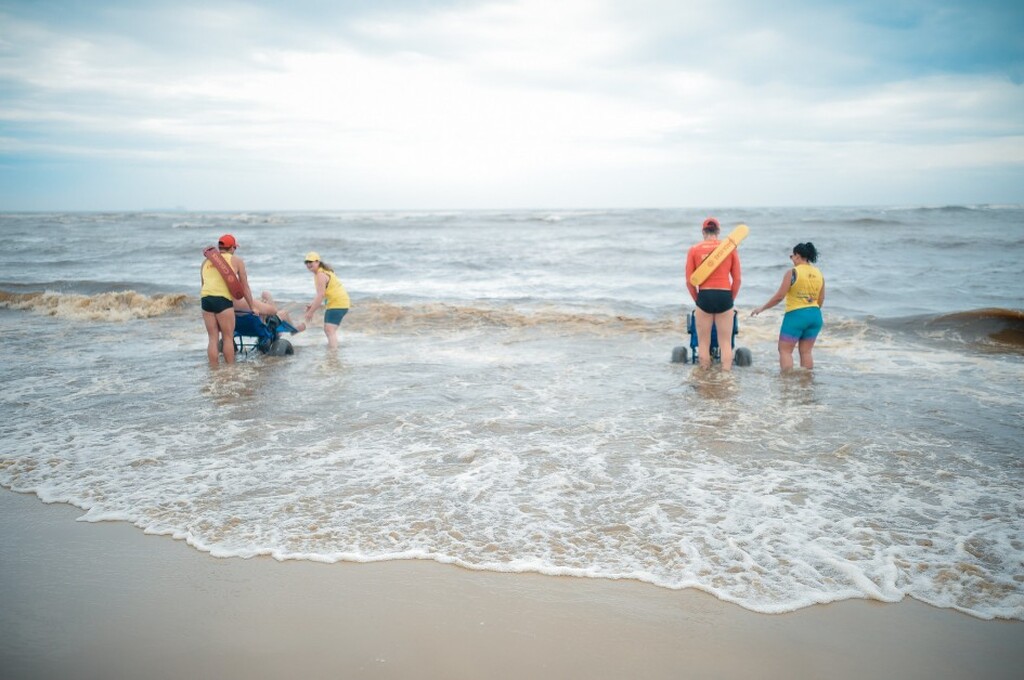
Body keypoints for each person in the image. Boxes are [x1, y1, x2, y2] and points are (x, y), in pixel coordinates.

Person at [751, 242, 826, 370]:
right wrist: (810, 310)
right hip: (815, 316)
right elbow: (821, 299)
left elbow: (779, 297)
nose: (792, 259)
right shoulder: (819, 273)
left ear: (798, 256)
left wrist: (762, 308)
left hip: (796, 316)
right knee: (806, 352)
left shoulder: (793, 272)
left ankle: (787, 380)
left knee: (785, 350)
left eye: (792, 256)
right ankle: (807, 380)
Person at [685, 217, 742, 370]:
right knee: (725, 343)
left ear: (703, 232)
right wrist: (730, 299)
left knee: (703, 343)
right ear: (718, 231)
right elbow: (737, 280)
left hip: (705, 295)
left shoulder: (694, 250)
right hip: (724, 295)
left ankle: (705, 375)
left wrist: (698, 300)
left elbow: (689, 282)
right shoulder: (729, 249)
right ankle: (726, 376)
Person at [200, 233, 255, 367]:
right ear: (232, 248)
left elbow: (203, 284)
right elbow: (244, 286)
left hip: (206, 300)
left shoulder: (206, 261)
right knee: (227, 338)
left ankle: (214, 370)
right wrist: (252, 307)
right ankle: (230, 370)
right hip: (222, 300)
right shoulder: (236, 261)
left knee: (212, 338)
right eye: (235, 248)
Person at [303, 251, 350, 349]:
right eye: (306, 262)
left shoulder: (320, 275)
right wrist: (312, 304)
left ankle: (333, 353)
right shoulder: (322, 272)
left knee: (329, 329)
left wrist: (311, 312)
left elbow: (321, 295)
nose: (308, 264)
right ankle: (333, 349)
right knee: (329, 329)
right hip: (339, 302)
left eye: (311, 262)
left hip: (337, 303)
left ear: (317, 262)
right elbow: (321, 293)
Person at [234, 290, 305, 332]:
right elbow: (274, 311)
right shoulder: (250, 303)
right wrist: (268, 298)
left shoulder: (229, 304)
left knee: (261, 307)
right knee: (283, 313)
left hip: (239, 329)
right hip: (259, 328)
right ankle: (294, 330)